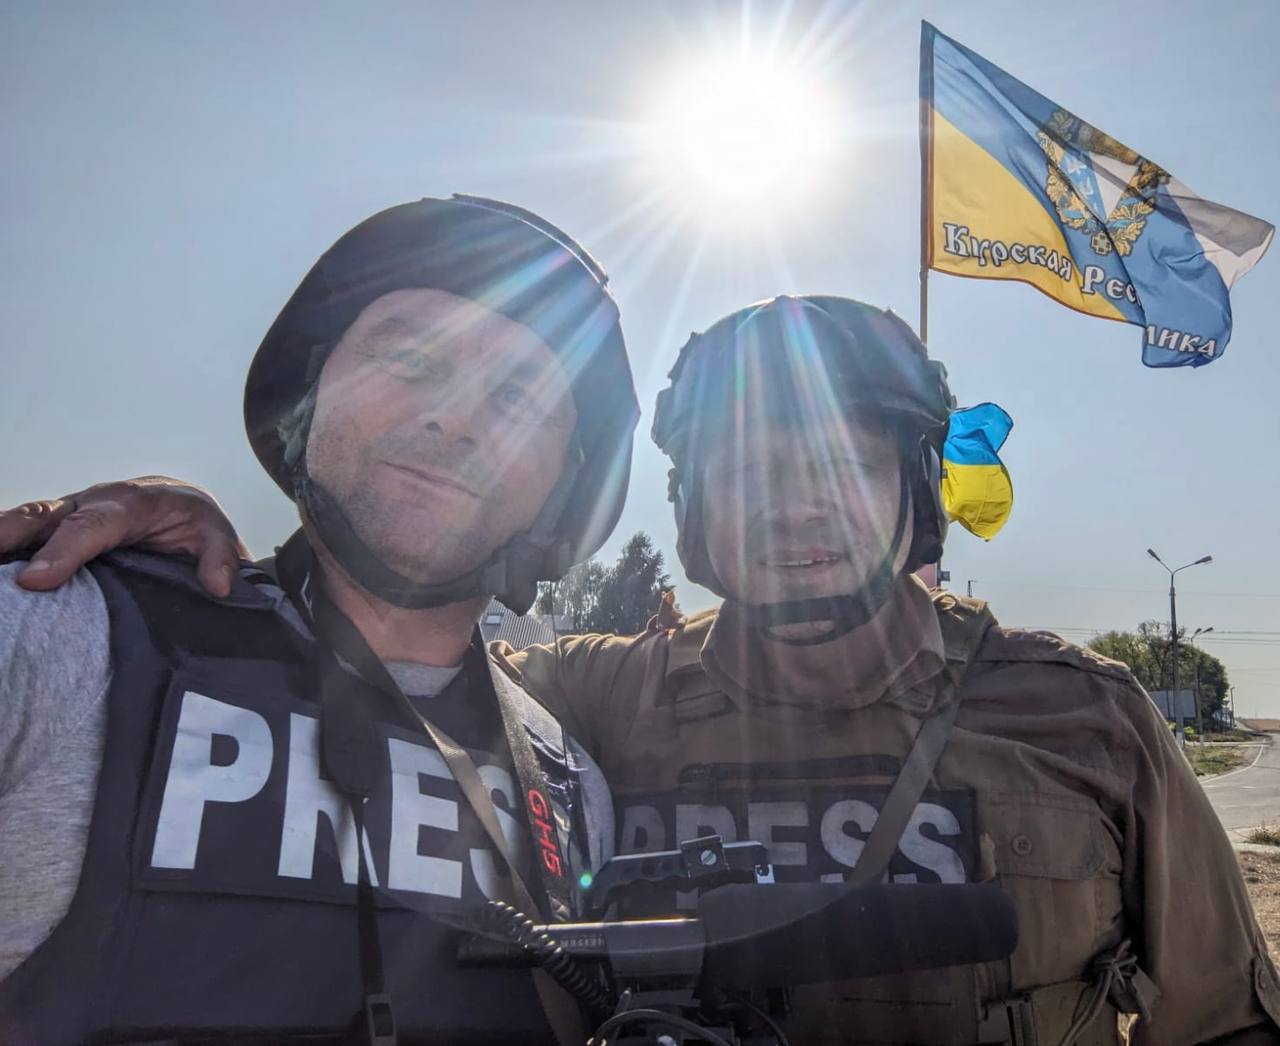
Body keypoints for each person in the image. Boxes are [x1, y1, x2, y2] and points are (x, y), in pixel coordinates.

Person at [5, 296, 1278, 1046]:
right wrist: (192, 543)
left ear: (913, 489)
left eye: (838, 463)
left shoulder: (1084, 714)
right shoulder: (584, 701)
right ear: (691, 507)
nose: (792, 505)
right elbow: (379, 637)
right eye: (745, 468)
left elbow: (1222, 1016)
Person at [0, 194, 641, 1045]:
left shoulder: (570, 787)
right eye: (409, 358)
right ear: (309, 398)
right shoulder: (54, 630)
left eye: (522, 399)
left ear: (563, 485)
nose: (457, 416)